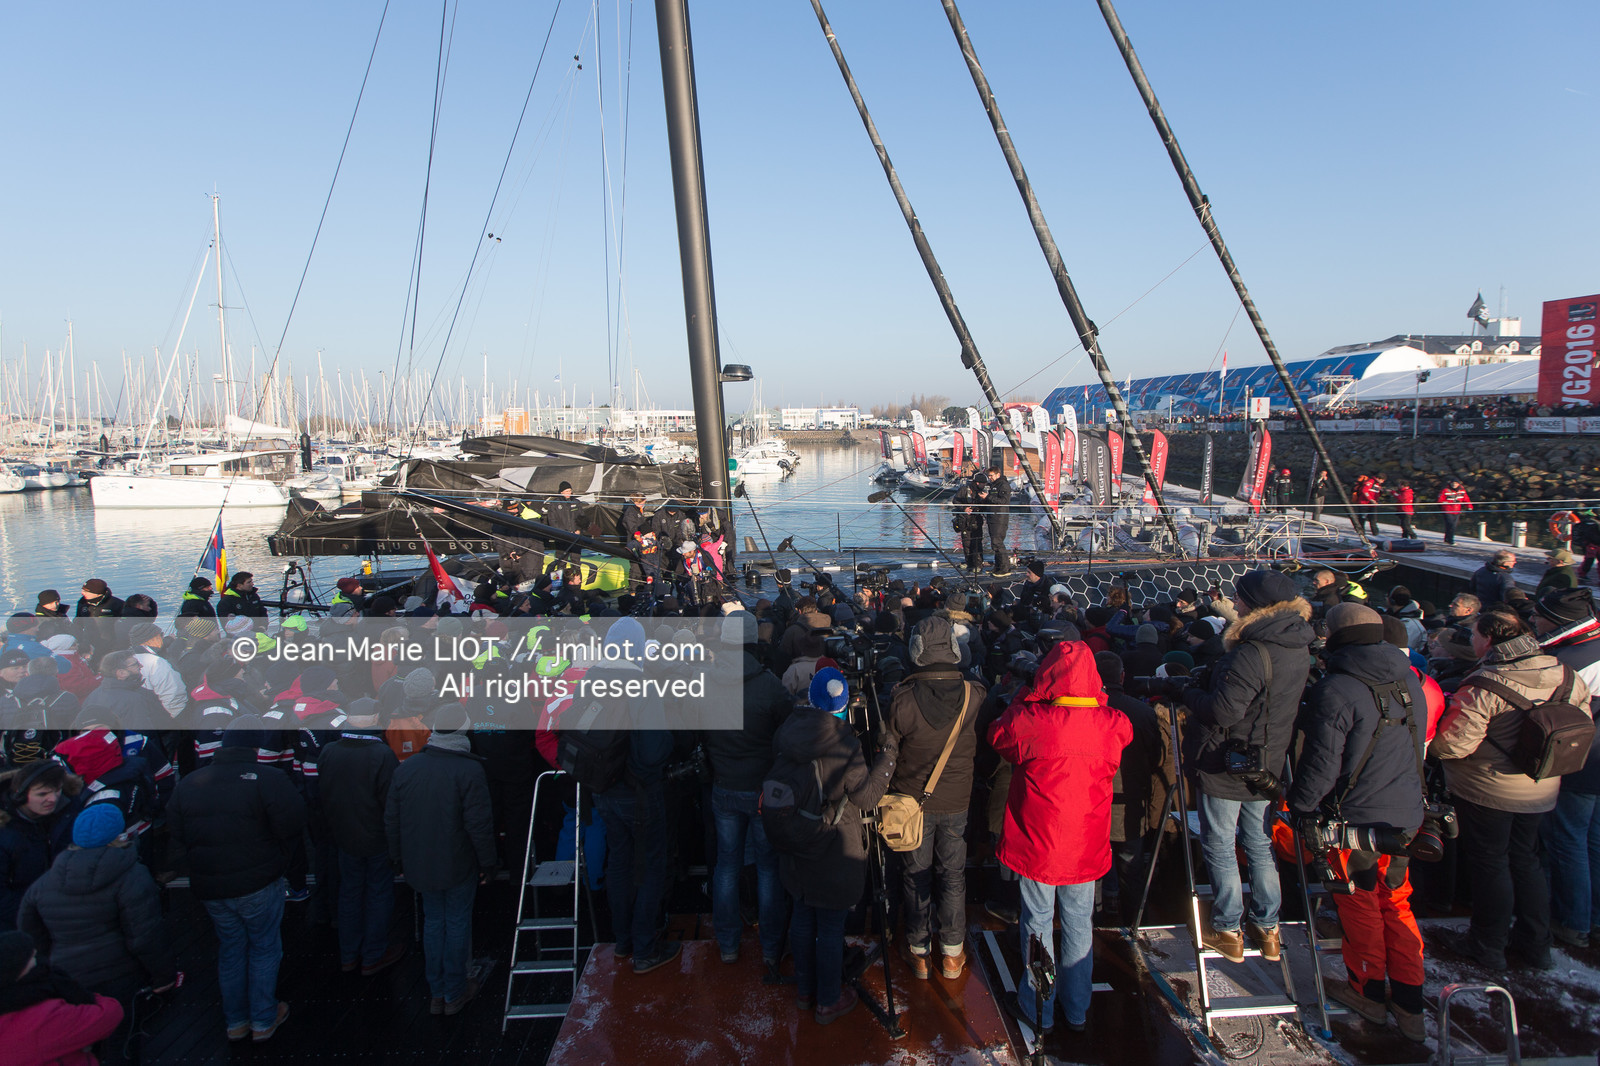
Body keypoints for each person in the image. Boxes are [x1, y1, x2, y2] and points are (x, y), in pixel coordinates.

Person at [1287, 603, 1427, 1042]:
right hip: (1405, 816)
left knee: (1360, 903)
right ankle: (1410, 1002)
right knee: (1397, 903)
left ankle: (1367, 990)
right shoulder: (1411, 682)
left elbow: (1322, 764)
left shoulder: (1339, 689)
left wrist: (1302, 807)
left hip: (1356, 820)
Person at [1432, 610, 1592, 970]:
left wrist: (1431, 746)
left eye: (1474, 635)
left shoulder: (1485, 682)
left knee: (1491, 863)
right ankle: (1536, 945)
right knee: (1527, 861)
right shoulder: (1565, 674)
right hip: (1541, 788)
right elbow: (1580, 723)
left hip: (1488, 789)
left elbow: (1454, 745)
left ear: (1488, 639)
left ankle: (1487, 943)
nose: (1471, 641)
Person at [990, 641, 1130, 1033]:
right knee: (1078, 921)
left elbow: (999, 735)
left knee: (1037, 922)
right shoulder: (1110, 722)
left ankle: (1039, 1009)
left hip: (1039, 842)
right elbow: (1120, 728)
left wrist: (1028, 694)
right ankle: (1076, 1008)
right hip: (1086, 843)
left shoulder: (1034, 720)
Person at [1182, 569, 1315, 964]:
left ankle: (1227, 928)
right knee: (1258, 843)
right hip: (1268, 760)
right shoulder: (1295, 645)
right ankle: (1268, 928)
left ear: (1255, 605)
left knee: (1221, 844)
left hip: (1228, 760)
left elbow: (1224, 711)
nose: (1235, 604)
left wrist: (1190, 692)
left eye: (1240, 599)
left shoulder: (1251, 651)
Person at [167, 716, 305, 1042]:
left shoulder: (189, 783)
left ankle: (236, 1022)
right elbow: (293, 823)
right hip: (259, 881)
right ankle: (263, 1018)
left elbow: (176, 831)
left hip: (212, 887)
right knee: (264, 948)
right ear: (255, 746)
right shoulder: (267, 779)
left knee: (230, 949)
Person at [770, 667, 895, 1025]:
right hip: (832, 849)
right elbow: (867, 797)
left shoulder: (787, 731)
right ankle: (828, 999)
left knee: (803, 915)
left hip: (796, 840)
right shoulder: (845, 745)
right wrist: (887, 758)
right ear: (843, 705)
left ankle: (806, 992)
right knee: (829, 927)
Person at [18, 804, 174, 1046]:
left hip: (67, 977)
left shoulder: (45, 882)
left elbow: (30, 933)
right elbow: (145, 935)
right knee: (121, 1044)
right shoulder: (132, 875)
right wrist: (163, 975)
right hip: (119, 976)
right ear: (118, 835)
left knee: (82, 1046)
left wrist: (52, 965)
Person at [884, 616, 983, 980]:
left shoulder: (903, 700)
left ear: (917, 651)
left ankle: (919, 949)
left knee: (916, 876)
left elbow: (890, 748)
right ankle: (953, 954)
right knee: (953, 875)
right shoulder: (976, 695)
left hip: (914, 804)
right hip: (957, 800)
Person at [385, 704, 496, 1015]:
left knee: (434, 922)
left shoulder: (407, 768)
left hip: (419, 862)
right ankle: (456, 990)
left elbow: (392, 819)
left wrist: (396, 857)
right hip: (458, 862)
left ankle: (437, 992)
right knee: (457, 922)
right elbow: (479, 824)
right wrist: (488, 862)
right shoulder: (469, 770)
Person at [704, 614, 790, 969]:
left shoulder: (705, 681)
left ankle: (728, 943)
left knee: (727, 866)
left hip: (724, 785)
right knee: (768, 869)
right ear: (756, 642)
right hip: (759, 791)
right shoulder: (769, 684)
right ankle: (771, 948)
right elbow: (787, 733)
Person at [1527, 588, 1600, 948]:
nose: (1534, 621)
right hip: (1595, 764)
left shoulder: (1571, 659)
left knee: (1567, 840)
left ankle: (1571, 921)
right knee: (1593, 842)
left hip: (1582, 763)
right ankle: (1591, 917)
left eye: (1540, 616)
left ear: (1558, 621)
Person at [319, 699, 406, 977]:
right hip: (376, 835)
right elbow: (391, 801)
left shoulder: (330, 752)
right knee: (379, 892)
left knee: (350, 893)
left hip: (344, 835)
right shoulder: (381, 754)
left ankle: (348, 955)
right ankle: (373, 955)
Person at [1093, 652, 1163, 925]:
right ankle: (1134, 923)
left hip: (1094, 801)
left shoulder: (1087, 709)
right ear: (1122, 677)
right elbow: (1156, 757)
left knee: (1094, 869)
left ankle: (1096, 922)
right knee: (1130, 869)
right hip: (1131, 802)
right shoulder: (1143, 712)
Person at [0, 930, 126, 1066]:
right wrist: (69, 987)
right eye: (32, 958)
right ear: (18, 972)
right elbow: (109, 1014)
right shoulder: (44, 1020)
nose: (38, 959)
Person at [0, 762, 83, 932]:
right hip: (22, 921)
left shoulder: (69, 810)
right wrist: (34, 917)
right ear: (19, 796)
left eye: (57, 790)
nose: (53, 799)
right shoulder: (5, 833)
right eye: (42, 794)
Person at [978, 466, 1013, 576]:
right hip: (992, 517)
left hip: (999, 518)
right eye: (988, 476)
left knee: (998, 543)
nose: (990, 478)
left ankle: (1005, 568)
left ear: (998, 474)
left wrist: (988, 497)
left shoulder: (1003, 485)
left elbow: (1003, 501)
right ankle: (998, 566)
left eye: (991, 476)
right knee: (995, 544)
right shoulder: (993, 485)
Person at [952, 481, 984, 573]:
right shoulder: (964, 489)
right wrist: (964, 508)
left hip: (976, 520)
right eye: (983, 483)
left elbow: (983, 506)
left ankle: (978, 564)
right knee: (966, 543)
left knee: (977, 543)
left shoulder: (981, 492)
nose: (984, 485)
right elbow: (955, 501)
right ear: (978, 483)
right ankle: (969, 563)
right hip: (965, 521)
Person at [1438, 480, 1474, 545]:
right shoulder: (1445, 490)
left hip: (1457, 511)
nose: (1454, 485)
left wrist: (1469, 506)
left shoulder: (1462, 490)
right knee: (1451, 525)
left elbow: (1466, 499)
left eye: (1456, 483)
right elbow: (1440, 500)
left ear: (1458, 484)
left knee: (1453, 525)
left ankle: (1447, 539)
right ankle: (1451, 540)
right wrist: (1450, 502)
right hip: (1447, 510)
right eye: (1453, 483)